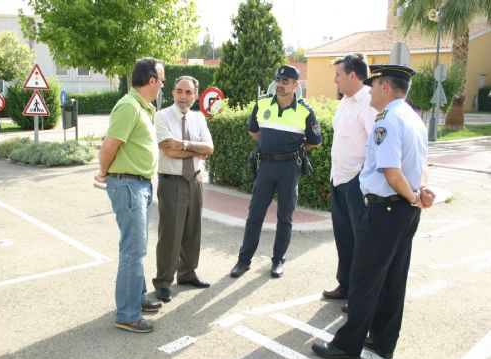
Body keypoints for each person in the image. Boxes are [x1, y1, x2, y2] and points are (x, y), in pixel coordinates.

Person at [312, 64, 436, 359]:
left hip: (387, 209)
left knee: (365, 279)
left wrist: (413, 197)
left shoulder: (388, 120)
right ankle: (383, 340)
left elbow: (392, 172)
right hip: (404, 211)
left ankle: (347, 345)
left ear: (385, 87)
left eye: (374, 82)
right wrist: (419, 194)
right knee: (394, 279)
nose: (370, 89)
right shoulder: (414, 118)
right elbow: (421, 166)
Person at [230, 65, 322, 279]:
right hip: (266, 167)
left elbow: (315, 142)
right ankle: (244, 261)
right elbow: (254, 131)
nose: (280, 85)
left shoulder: (305, 110)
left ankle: (278, 260)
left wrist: (293, 151)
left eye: (285, 82)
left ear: (296, 85)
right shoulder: (262, 103)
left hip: (290, 168)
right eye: (278, 80)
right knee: (255, 215)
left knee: (285, 216)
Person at [94, 57, 165, 333]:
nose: (162, 85)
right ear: (151, 81)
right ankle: (126, 313)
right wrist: (103, 172)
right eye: (161, 80)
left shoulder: (141, 107)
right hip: (128, 185)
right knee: (133, 251)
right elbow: (109, 147)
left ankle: (135, 297)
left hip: (139, 185)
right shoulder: (128, 106)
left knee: (135, 247)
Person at [322, 54, 377, 312]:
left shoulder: (368, 102)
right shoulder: (345, 101)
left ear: (353, 75)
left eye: (339, 75)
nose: (336, 79)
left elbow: (375, 146)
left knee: (361, 242)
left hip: (356, 181)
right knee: (343, 238)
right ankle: (344, 286)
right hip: (339, 178)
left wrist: (362, 178)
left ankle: (358, 295)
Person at [152, 76, 214, 303]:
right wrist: (196, 150)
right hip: (171, 181)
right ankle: (163, 282)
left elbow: (209, 148)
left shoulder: (199, 119)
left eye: (188, 92)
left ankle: (187, 274)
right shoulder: (161, 116)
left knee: (192, 231)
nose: (183, 96)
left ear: (195, 95)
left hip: (194, 181)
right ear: (173, 93)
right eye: (179, 91)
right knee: (170, 234)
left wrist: (185, 145)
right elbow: (169, 151)